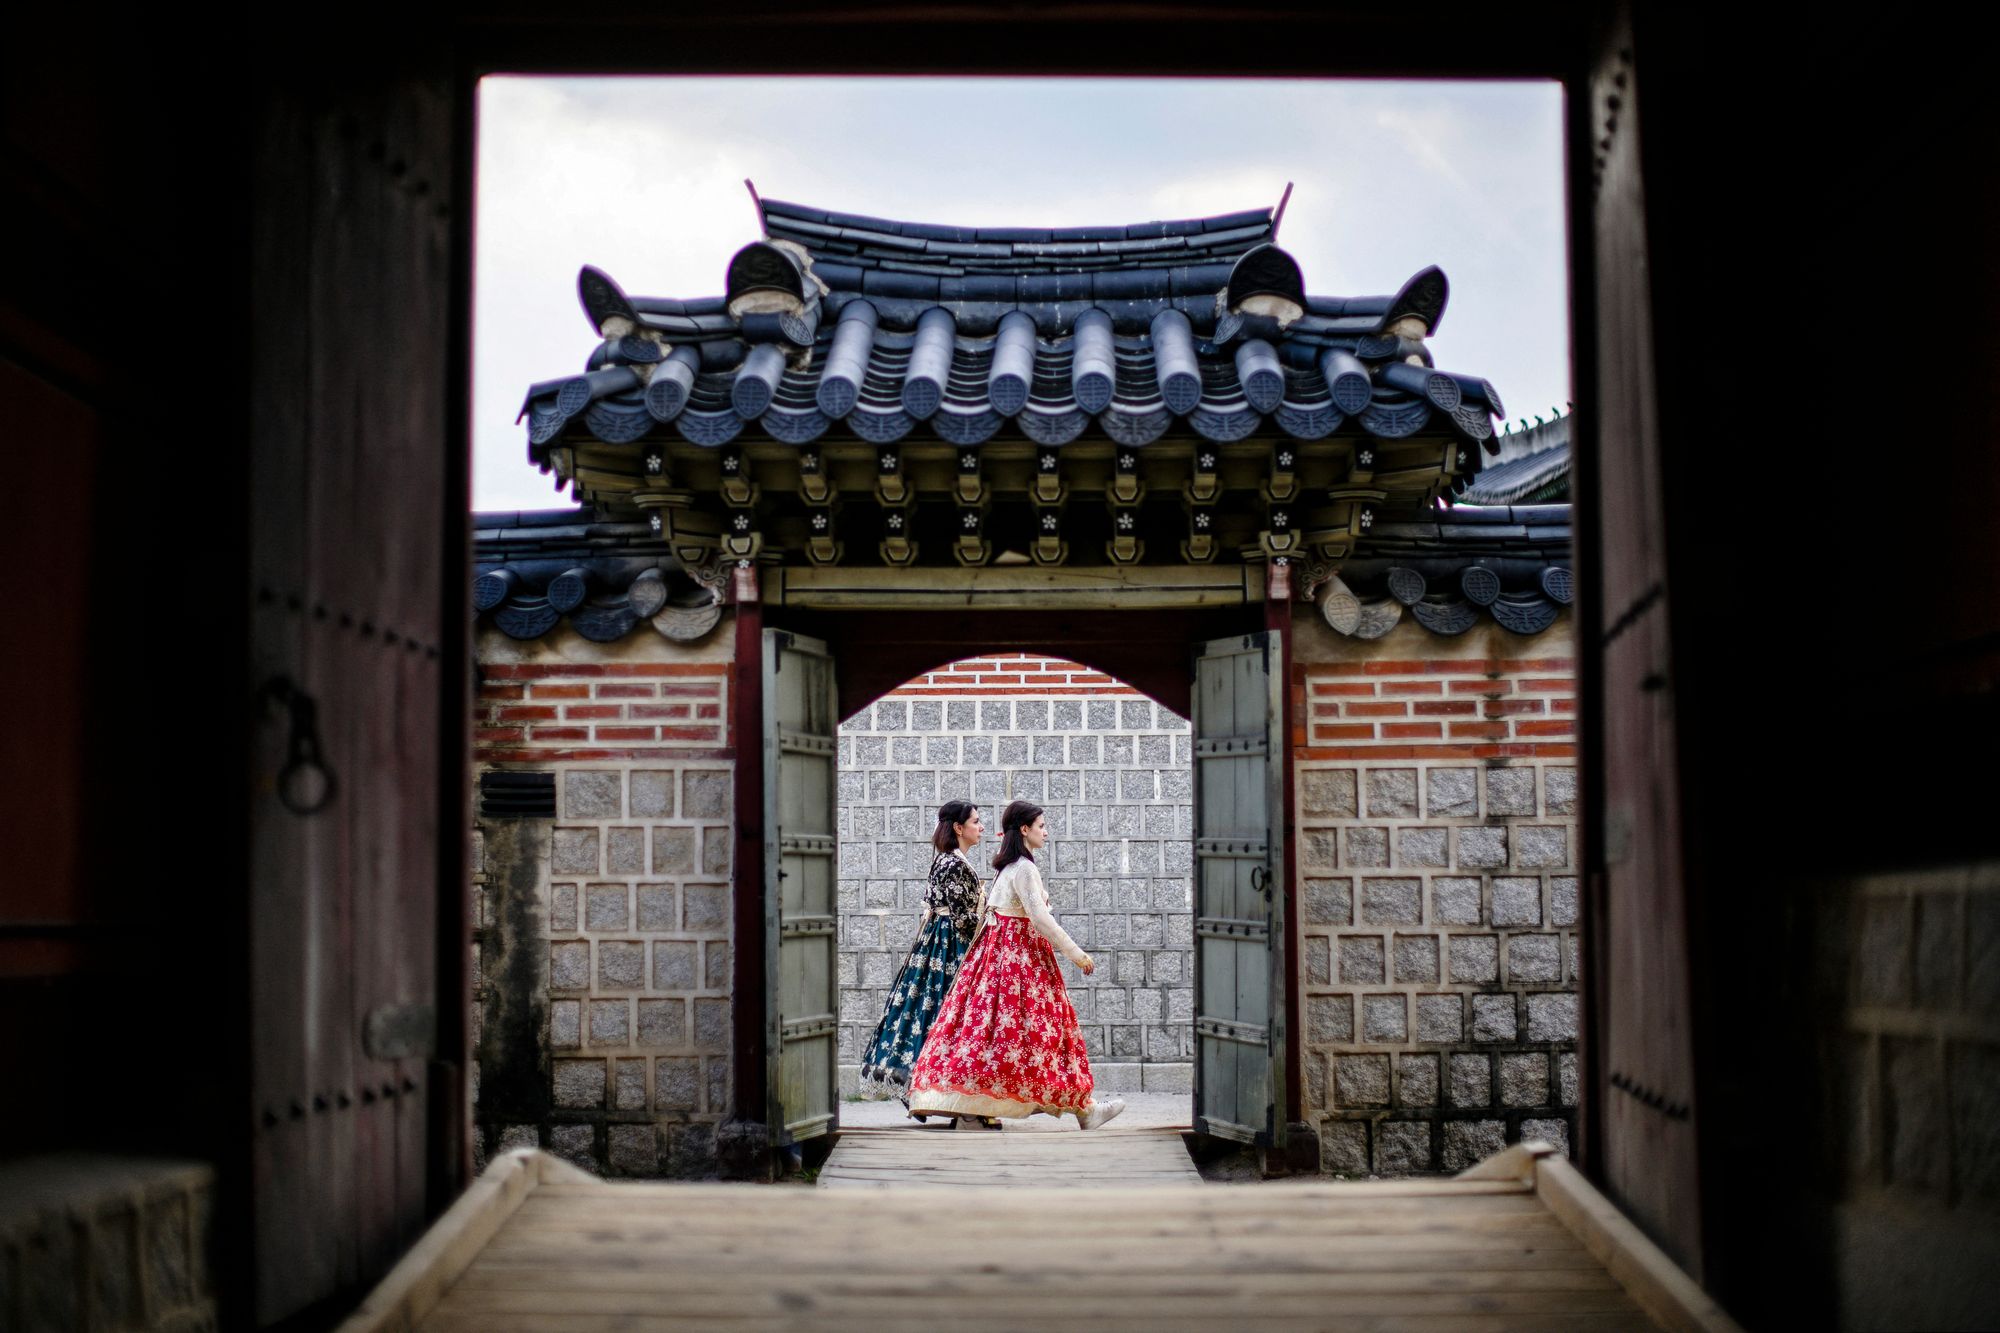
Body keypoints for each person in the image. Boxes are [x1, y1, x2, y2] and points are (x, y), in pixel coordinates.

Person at [907, 799, 1126, 1130]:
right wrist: (1077, 954)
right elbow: (1039, 918)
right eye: (1041, 826)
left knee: (990, 1036)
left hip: (997, 960)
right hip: (1019, 963)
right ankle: (1083, 1108)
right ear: (1025, 830)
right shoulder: (1023, 868)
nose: (1046, 832)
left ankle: (975, 1109)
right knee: (1044, 1035)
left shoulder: (1006, 869)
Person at [857, 800, 987, 1113]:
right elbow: (964, 918)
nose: (981, 827)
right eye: (976, 822)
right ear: (959, 828)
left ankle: (930, 1090)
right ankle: (937, 1090)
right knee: (946, 1013)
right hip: (948, 945)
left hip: (935, 942)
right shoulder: (953, 863)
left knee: (927, 1013)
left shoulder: (946, 859)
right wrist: (995, 915)